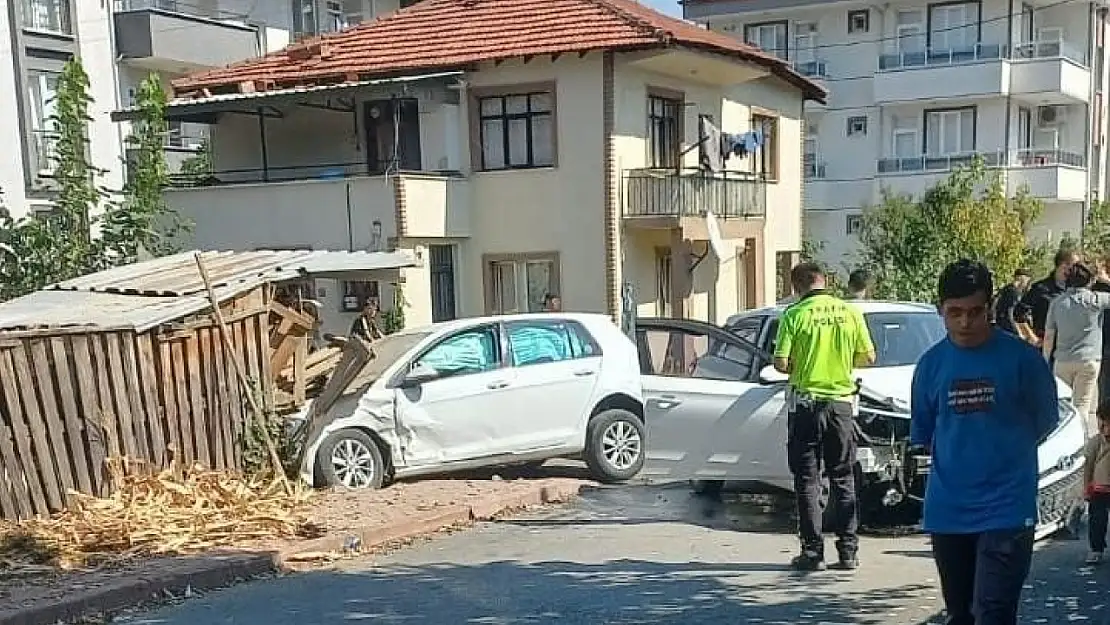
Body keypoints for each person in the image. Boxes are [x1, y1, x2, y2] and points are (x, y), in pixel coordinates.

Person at [910, 259, 1058, 625]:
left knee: (993, 612)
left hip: (1007, 508)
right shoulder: (930, 366)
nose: (965, 322)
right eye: (954, 313)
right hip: (949, 509)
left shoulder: (1023, 360)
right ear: (940, 310)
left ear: (990, 308)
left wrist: (1005, 455)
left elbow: (1045, 420)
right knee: (960, 614)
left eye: (975, 312)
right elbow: (926, 435)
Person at [773, 262, 876, 571]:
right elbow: (869, 356)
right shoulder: (849, 313)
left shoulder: (793, 315)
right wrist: (842, 362)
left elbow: (780, 363)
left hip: (806, 406)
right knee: (843, 478)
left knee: (807, 480)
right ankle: (848, 552)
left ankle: (812, 551)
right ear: (824, 281)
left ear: (796, 287)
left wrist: (803, 366)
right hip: (841, 406)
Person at [1043, 262, 1110, 431]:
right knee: (1082, 406)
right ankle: (1080, 443)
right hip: (1089, 359)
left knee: (1062, 406)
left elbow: (1049, 335)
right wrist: (1106, 279)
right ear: (1090, 280)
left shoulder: (1057, 303)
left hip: (1063, 360)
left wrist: (1045, 360)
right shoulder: (1095, 299)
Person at [1016, 248, 1080, 346]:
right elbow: (1019, 313)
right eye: (1073, 266)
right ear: (1063, 264)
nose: (1076, 271)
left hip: (1068, 348)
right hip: (1045, 343)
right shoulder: (1040, 288)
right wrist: (1032, 337)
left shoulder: (1075, 291)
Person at [1084, 401, 1110, 565]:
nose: (1105, 428)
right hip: (1099, 488)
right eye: (1102, 423)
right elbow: (1088, 465)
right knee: (1097, 521)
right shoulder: (1096, 442)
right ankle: (1096, 549)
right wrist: (1087, 487)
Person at [993, 268, 1031, 335]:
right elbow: (1010, 313)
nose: (1026, 284)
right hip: (1007, 328)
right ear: (1022, 278)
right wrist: (1017, 332)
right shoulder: (1013, 292)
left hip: (1000, 325)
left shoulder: (1006, 288)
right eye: (1026, 280)